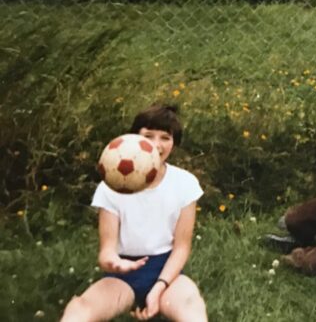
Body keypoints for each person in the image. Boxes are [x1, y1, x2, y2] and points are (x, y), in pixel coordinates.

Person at [60, 104, 208, 322]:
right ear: (134, 138)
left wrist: (159, 288)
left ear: (174, 143)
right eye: (148, 136)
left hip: (166, 271)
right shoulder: (114, 183)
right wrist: (114, 263)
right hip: (123, 275)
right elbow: (106, 251)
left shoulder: (185, 183)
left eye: (165, 138)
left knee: (192, 310)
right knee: (80, 309)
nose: (157, 145)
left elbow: (182, 247)